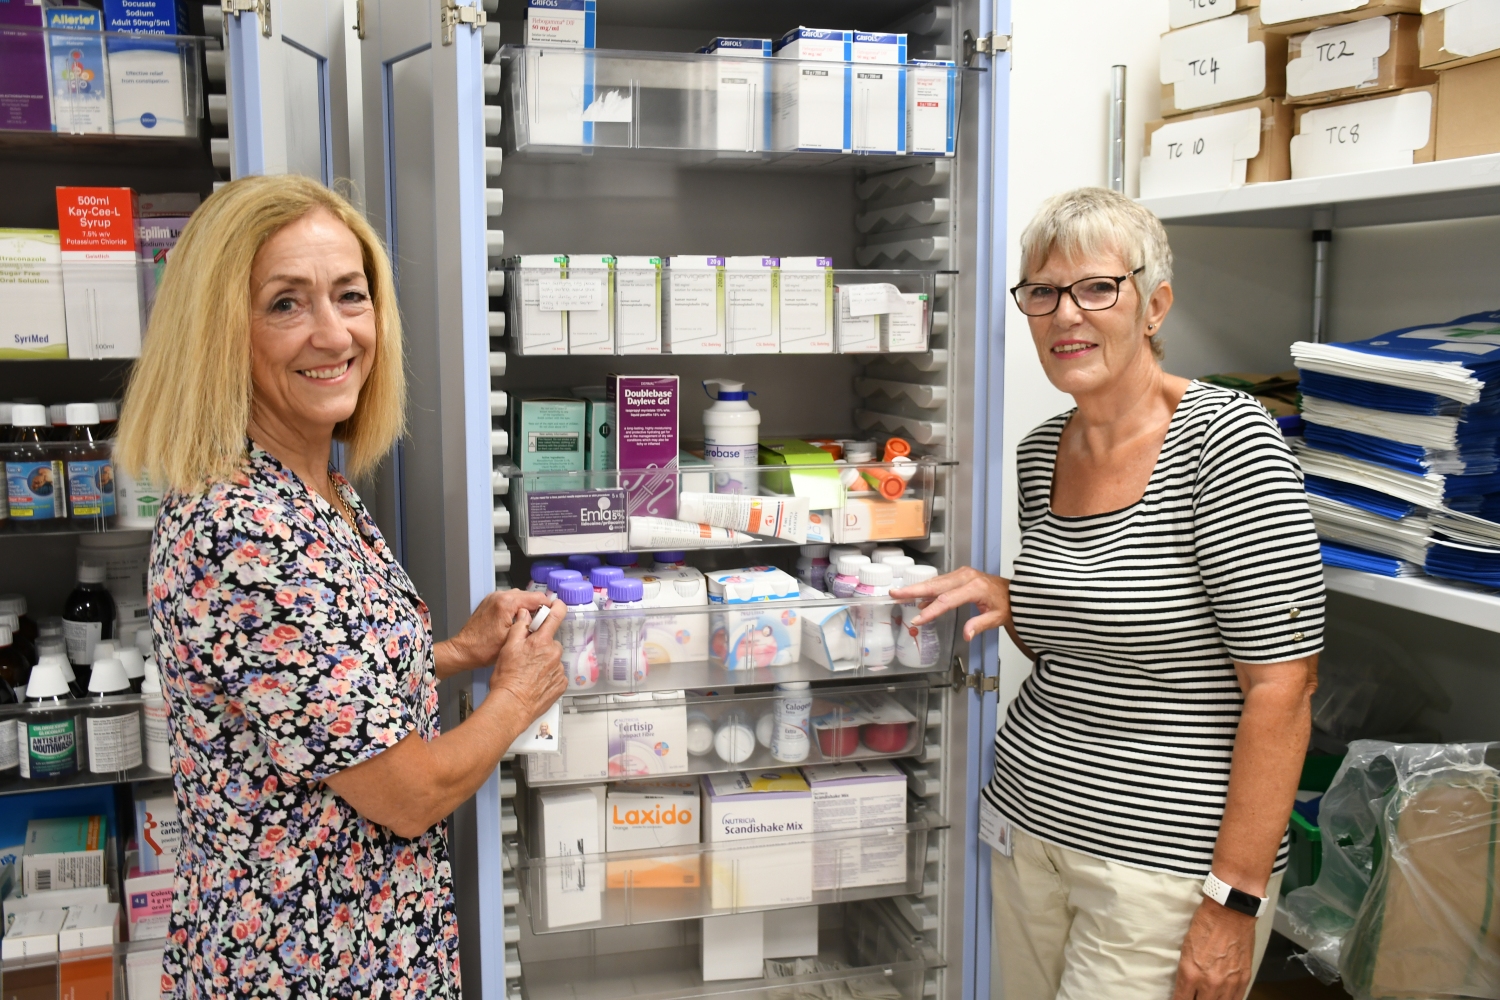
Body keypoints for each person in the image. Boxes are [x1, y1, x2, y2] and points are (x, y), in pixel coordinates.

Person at [115, 174, 567, 999]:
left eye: (350, 296)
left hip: (365, 943)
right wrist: (516, 697)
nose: (334, 334)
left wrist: (457, 652)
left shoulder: (311, 481)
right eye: (286, 304)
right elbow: (408, 793)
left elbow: (311, 691)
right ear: (219, 333)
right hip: (302, 964)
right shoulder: (243, 529)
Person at [893, 187, 1324, 1000]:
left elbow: (1284, 686)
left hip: (1161, 871)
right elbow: (1084, 631)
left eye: (1097, 288)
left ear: (1154, 304)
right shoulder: (1041, 451)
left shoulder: (1226, 440)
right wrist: (1009, 596)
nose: (1066, 316)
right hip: (1027, 828)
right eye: (1043, 293)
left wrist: (1233, 900)